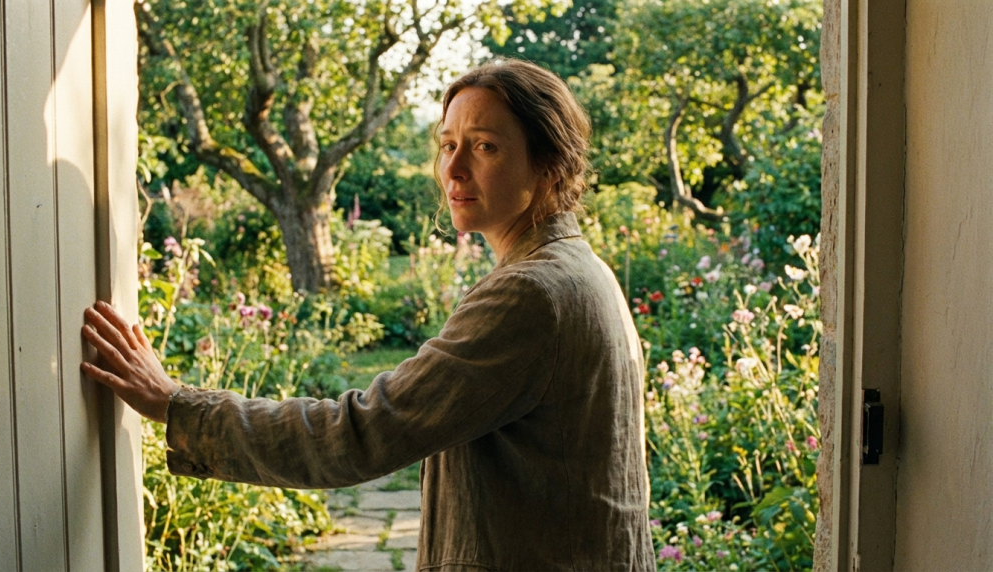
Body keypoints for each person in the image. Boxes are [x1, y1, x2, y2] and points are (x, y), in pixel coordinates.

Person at [83, 58, 656, 571]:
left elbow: (364, 433)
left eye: (484, 146)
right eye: (447, 143)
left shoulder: (533, 294)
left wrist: (177, 405)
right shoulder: (582, 269)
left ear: (548, 168)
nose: (453, 169)